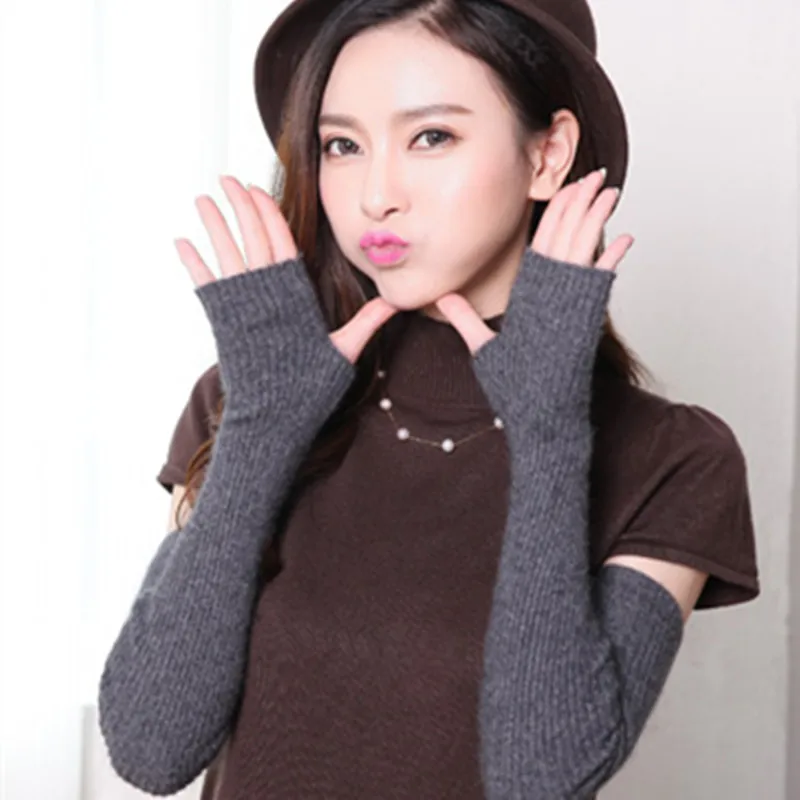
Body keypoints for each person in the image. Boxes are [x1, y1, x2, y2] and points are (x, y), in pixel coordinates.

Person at [97, 0, 760, 797]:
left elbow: (542, 778)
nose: (376, 195)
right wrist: (262, 428)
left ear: (548, 155)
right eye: (343, 145)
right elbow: (151, 749)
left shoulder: (673, 458)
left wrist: (547, 432)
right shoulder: (256, 397)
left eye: (432, 137)